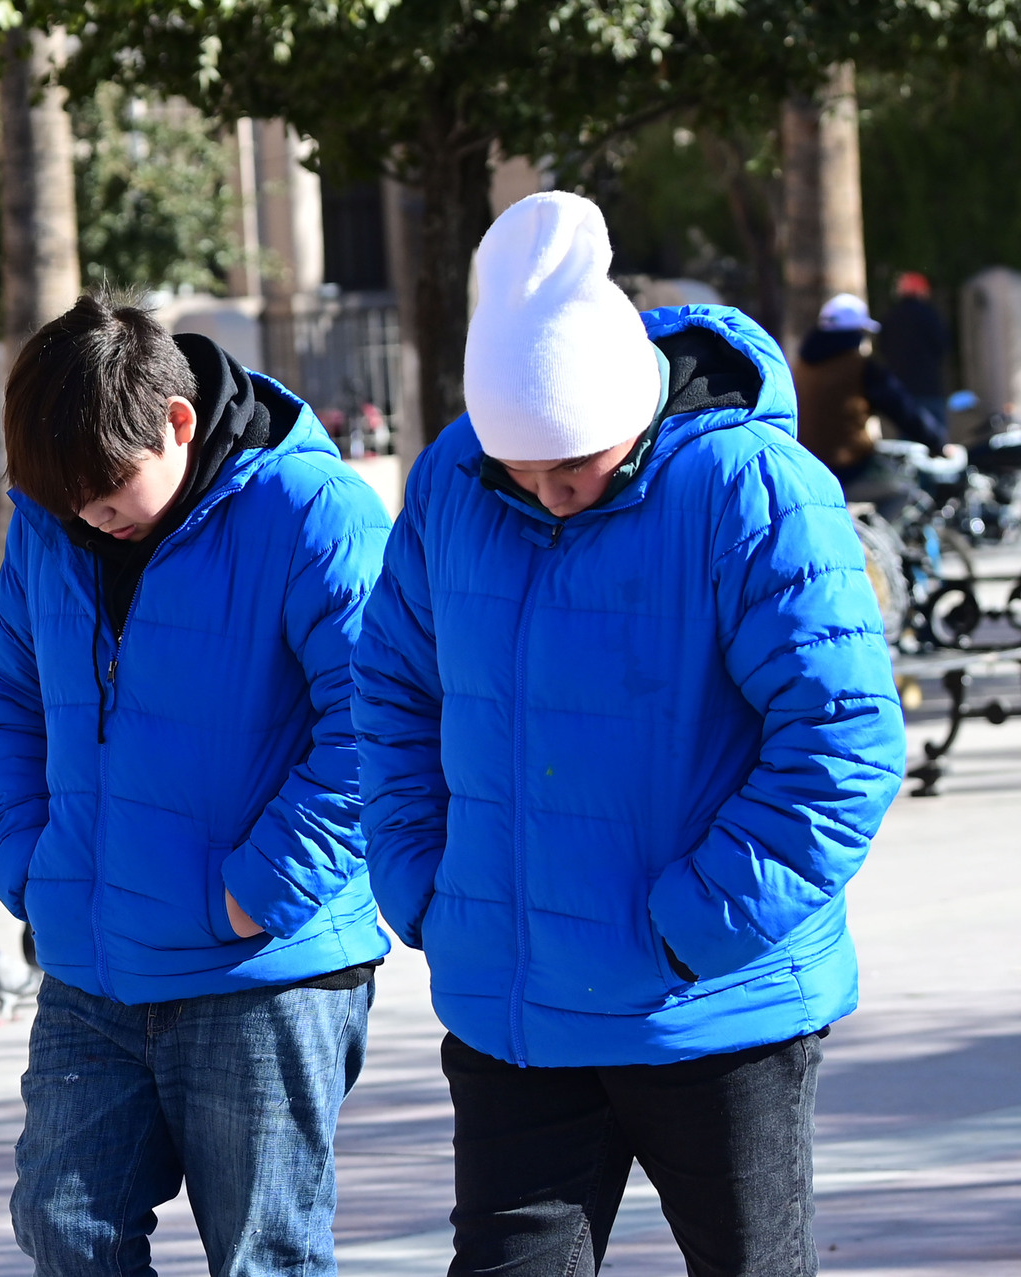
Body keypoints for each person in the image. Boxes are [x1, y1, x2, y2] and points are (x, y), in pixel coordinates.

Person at [353, 192, 906, 1276]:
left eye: (577, 469)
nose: (552, 497)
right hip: (514, 1009)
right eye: (525, 474)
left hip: (713, 1011)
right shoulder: (454, 485)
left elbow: (842, 739)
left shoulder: (752, 488)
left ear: (636, 409)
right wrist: (424, 881)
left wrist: (691, 926)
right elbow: (391, 691)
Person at [0, 294, 391, 1275]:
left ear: (179, 422)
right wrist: (31, 864)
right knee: (64, 1224)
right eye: (66, 497)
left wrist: (257, 891)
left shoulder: (312, 510)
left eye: (106, 488)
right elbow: (6, 692)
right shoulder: (51, 517)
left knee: (262, 1256)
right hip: (92, 962)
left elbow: (379, 725)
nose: (89, 515)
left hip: (263, 968)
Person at [794, 291, 956, 505]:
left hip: (805, 469)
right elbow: (902, 409)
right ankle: (878, 539)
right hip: (847, 469)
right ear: (857, 333)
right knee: (903, 489)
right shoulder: (860, 367)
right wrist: (937, 442)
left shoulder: (800, 367)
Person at [878, 271, 952, 428]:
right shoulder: (929, 315)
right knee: (936, 441)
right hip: (929, 388)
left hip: (900, 390)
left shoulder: (890, 317)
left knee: (907, 444)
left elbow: (883, 349)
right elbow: (942, 346)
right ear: (922, 291)